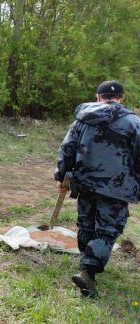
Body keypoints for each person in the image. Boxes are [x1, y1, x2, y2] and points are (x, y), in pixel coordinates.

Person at [55, 80, 138, 298]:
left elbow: (67, 148)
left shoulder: (82, 120)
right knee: (107, 230)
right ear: (121, 98)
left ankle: (87, 261)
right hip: (117, 187)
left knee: (86, 222)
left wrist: (61, 175)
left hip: (86, 183)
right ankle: (88, 270)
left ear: (98, 97)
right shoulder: (133, 122)